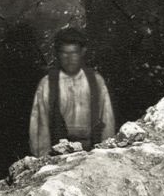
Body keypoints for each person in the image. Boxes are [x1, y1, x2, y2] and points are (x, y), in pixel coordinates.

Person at [28, 26, 116, 155]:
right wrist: (43, 159)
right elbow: (40, 125)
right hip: (59, 153)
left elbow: (107, 119)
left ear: (82, 52)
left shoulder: (96, 81)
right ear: (57, 54)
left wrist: (107, 154)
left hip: (92, 151)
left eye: (74, 53)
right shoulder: (47, 83)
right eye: (64, 53)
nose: (69, 59)